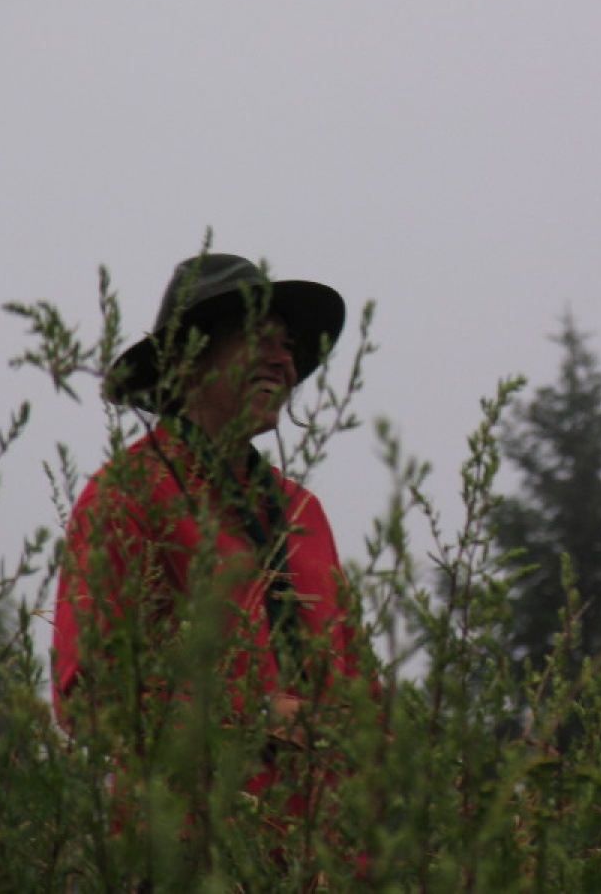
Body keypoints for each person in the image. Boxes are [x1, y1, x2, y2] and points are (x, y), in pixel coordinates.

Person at [51, 252, 368, 876]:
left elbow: (360, 688)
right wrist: (249, 716)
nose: (287, 361)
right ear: (191, 357)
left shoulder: (304, 513)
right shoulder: (128, 494)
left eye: (291, 348)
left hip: (324, 865)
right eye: (262, 340)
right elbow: (91, 694)